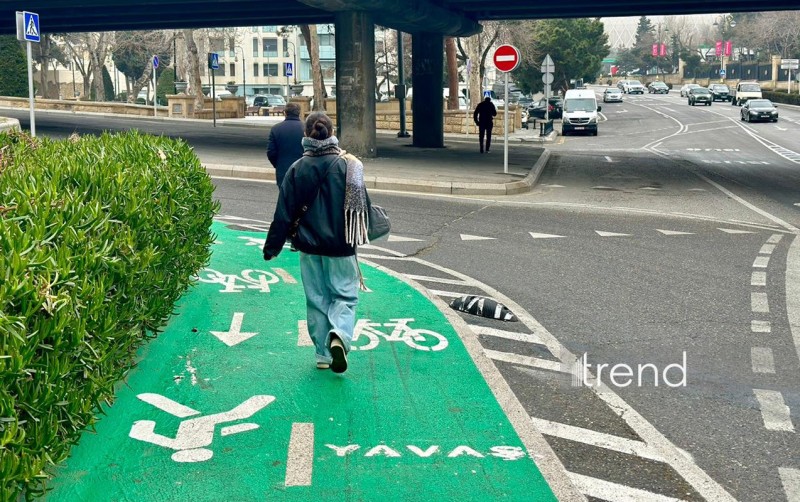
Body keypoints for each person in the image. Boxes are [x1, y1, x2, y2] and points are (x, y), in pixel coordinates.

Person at [263, 112, 371, 374]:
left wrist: (272, 247)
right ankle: (340, 335)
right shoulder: (351, 166)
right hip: (342, 247)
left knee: (316, 298)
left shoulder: (296, 169)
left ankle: (322, 354)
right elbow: (363, 208)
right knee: (344, 295)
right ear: (333, 132)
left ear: (306, 136)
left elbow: (283, 213)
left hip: (308, 247)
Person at [267, 102, 305, 187]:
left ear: (285, 112)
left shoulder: (275, 129)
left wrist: (278, 164)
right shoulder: (306, 128)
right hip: (304, 170)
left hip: (283, 170)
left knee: (285, 198)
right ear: (299, 113)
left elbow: (271, 152)